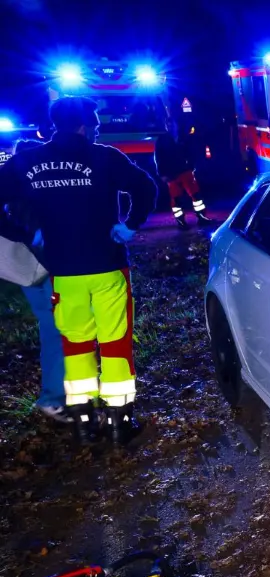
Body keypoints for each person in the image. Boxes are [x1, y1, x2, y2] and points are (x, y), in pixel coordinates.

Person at [0, 96, 158, 445]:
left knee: (75, 345)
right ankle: (120, 423)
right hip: (107, 267)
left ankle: (84, 423)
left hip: (62, 272)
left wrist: (26, 235)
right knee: (115, 343)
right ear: (85, 125)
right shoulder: (104, 156)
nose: (99, 126)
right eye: (97, 121)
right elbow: (146, 187)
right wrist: (130, 224)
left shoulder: (28, 161)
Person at [0, 138, 68, 423]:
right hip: (45, 267)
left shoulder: (10, 189)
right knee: (59, 329)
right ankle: (54, 398)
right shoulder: (30, 192)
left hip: (29, 271)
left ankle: (56, 394)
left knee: (50, 327)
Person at [155, 117, 212, 228]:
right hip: (171, 174)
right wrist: (162, 174)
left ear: (177, 125)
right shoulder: (162, 140)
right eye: (168, 124)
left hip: (185, 171)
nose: (170, 126)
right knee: (176, 199)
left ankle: (201, 217)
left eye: (172, 124)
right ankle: (181, 221)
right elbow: (158, 158)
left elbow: (191, 152)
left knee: (196, 195)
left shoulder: (183, 138)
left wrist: (192, 166)